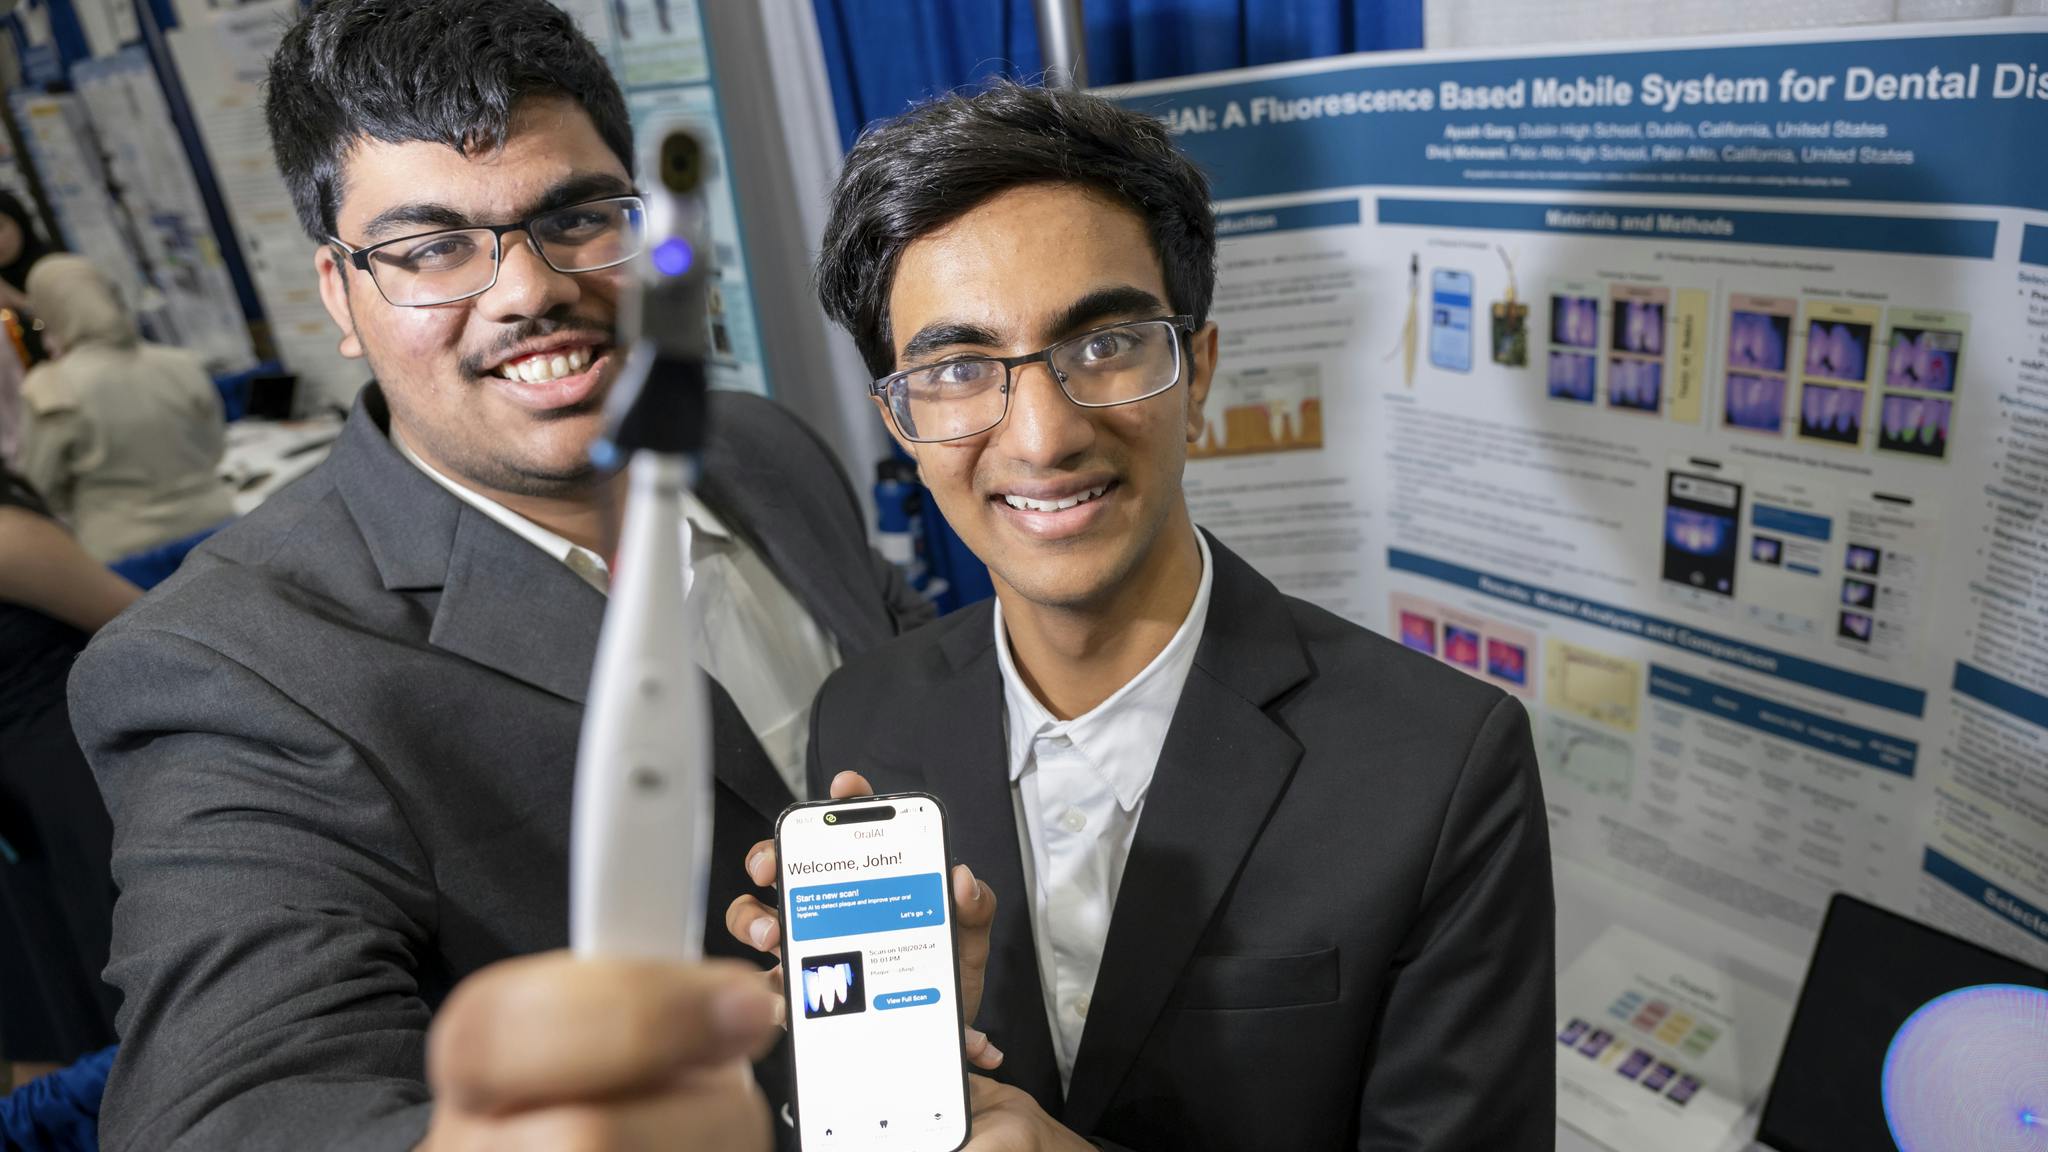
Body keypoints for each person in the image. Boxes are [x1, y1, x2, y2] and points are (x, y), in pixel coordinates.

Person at [67, 1, 944, 1148]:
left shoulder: (764, 449)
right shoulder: (229, 670)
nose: (527, 291)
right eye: (430, 248)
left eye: (577, 218)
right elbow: (227, 1099)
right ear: (339, 292)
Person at [728, 81, 1557, 1150]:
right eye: (958, 369)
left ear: (1195, 373)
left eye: (1103, 344)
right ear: (903, 422)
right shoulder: (864, 713)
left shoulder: (1439, 765)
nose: (1039, 436)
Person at [0, 470, 135, 1091]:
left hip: (75, 788)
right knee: (52, 1025)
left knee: (129, 1012)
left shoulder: (6, 535)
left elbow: (133, 621)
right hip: (18, 826)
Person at [15, 255, 234, 562]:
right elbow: (214, 449)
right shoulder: (181, 363)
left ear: (49, 311)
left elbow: (40, 485)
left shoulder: (51, 386)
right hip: (216, 529)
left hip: (126, 554)